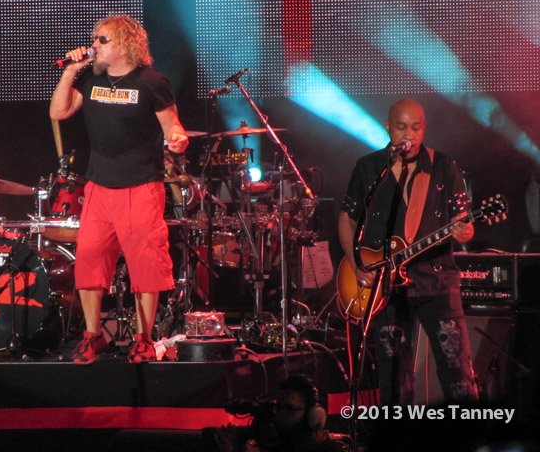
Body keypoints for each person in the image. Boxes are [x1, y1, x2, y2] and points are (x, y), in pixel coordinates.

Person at [49, 15, 189, 364]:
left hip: (141, 186)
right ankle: (92, 336)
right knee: (90, 259)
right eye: (94, 38)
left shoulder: (152, 82)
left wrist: (178, 140)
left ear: (126, 44)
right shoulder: (91, 79)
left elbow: (174, 126)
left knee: (145, 265)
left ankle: (143, 339)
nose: (93, 44)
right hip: (99, 185)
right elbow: (58, 111)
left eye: (102, 39)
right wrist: (71, 70)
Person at [337, 98, 479, 405]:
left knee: (457, 373)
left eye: (416, 128)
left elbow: (463, 221)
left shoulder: (443, 166)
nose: (409, 135)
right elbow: (347, 219)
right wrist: (356, 263)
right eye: (401, 127)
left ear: (424, 127)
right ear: (388, 128)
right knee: (394, 381)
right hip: (385, 287)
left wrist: (465, 230)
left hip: (437, 282)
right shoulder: (369, 168)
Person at [205, 375, 348, 452]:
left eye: (290, 409)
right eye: (278, 407)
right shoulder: (279, 439)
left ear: (315, 416)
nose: (279, 414)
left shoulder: (326, 449)